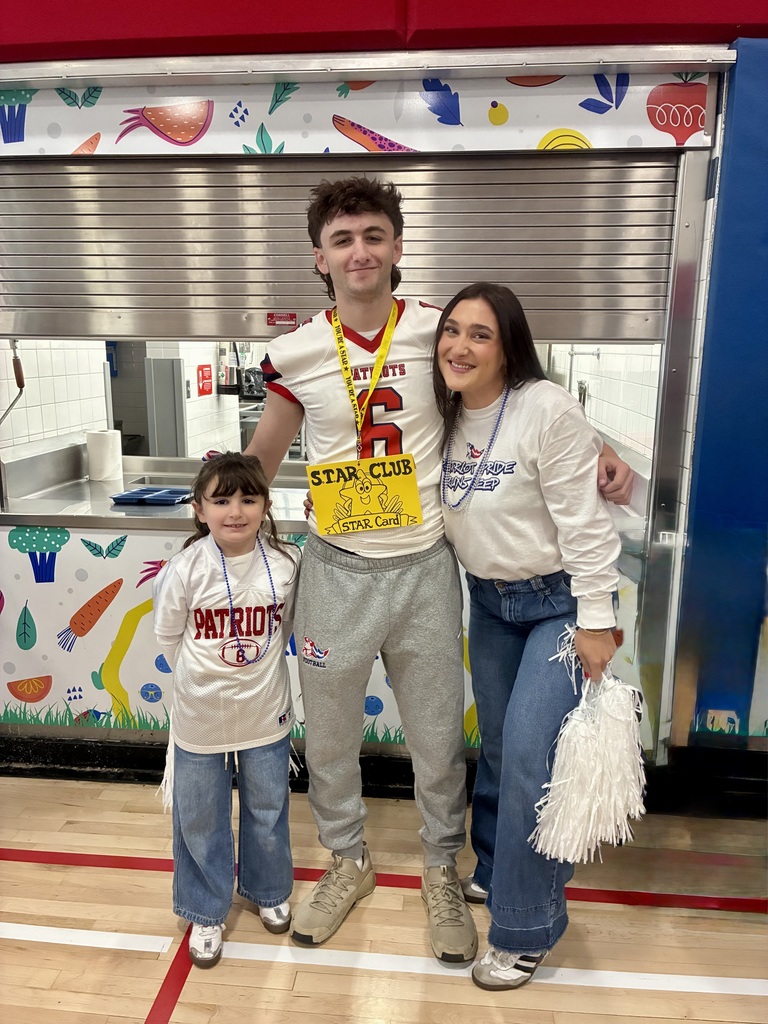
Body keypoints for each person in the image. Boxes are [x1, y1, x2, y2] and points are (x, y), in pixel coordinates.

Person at [243, 177, 633, 964]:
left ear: (397, 245)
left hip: (424, 568)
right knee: (330, 740)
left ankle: (441, 869)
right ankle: (346, 860)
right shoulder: (293, 353)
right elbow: (262, 457)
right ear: (319, 257)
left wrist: (598, 447)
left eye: (374, 235)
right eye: (344, 239)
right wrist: (218, 528)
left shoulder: (439, 331)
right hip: (335, 569)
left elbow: (518, 397)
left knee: (436, 740)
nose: (361, 251)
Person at [434, 282, 622, 990]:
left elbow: (585, 525)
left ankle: (525, 926)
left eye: (481, 334)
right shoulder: (445, 411)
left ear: (510, 345)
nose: (460, 345)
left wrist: (597, 622)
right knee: (499, 747)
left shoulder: (546, 408)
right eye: (452, 331)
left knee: (529, 760)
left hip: (558, 605)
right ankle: (491, 866)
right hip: (489, 602)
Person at [153, 452, 300, 968]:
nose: (235, 510)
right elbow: (169, 637)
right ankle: (205, 909)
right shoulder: (184, 569)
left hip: (266, 712)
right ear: (199, 509)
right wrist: (205, 683)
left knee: (268, 808)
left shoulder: (286, 563)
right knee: (200, 817)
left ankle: (269, 889)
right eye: (221, 500)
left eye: (247, 498)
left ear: (265, 505)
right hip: (199, 717)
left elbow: (286, 632)